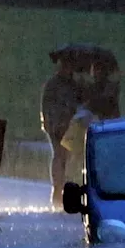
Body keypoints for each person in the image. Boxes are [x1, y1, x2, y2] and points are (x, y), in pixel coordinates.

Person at [41, 55, 81, 209]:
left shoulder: (73, 84)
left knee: (65, 157)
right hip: (57, 124)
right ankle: (58, 190)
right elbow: (46, 105)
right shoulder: (53, 84)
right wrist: (49, 122)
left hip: (69, 124)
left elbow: (79, 101)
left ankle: (62, 189)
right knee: (59, 155)